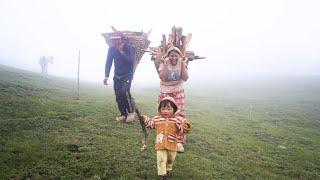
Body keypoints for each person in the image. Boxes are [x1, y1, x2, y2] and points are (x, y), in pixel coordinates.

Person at [142, 97, 191, 180]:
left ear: (174, 109)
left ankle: (168, 169)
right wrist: (143, 118)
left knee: (170, 160)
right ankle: (162, 175)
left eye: (168, 109)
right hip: (160, 144)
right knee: (161, 159)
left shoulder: (177, 119)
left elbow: (186, 127)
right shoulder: (157, 118)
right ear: (159, 109)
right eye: (163, 108)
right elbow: (151, 123)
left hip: (172, 145)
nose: (165, 111)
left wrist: (182, 127)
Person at [157, 46, 189, 152]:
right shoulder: (164, 62)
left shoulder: (182, 62)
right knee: (164, 114)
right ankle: (164, 138)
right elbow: (163, 77)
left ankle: (179, 141)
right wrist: (165, 63)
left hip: (178, 91)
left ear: (179, 56)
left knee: (179, 115)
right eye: (171, 55)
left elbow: (185, 78)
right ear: (168, 56)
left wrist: (184, 64)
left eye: (176, 55)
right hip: (165, 91)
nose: (173, 58)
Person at [103, 32, 136, 122]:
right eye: (114, 39)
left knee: (124, 92)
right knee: (118, 95)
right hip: (117, 75)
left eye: (118, 39)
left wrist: (121, 52)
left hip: (127, 75)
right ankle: (123, 114)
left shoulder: (128, 47)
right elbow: (108, 62)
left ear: (122, 38)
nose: (116, 41)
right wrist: (106, 76)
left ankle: (131, 112)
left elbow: (130, 61)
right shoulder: (111, 49)